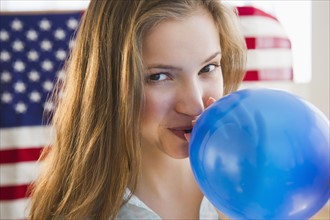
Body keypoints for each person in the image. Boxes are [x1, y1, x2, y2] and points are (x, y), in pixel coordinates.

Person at [29, 0, 246, 219]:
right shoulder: (75, 212)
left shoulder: (252, 176)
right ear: (109, 84)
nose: (195, 105)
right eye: (158, 77)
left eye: (208, 68)